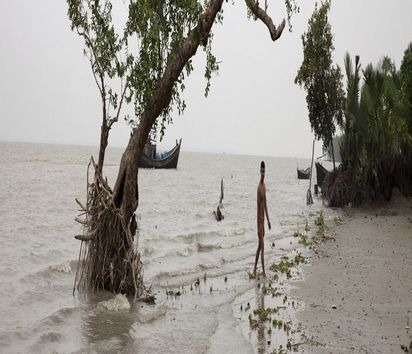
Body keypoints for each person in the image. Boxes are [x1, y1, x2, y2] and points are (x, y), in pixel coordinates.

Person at [253, 161, 271, 278]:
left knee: (259, 247)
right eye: (262, 171)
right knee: (262, 247)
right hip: (259, 223)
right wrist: (258, 225)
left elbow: (265, 205)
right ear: (259, 172)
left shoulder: (264, 187)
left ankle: (254, 268)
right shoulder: (259, 188)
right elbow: (258, 208)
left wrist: (268, 221)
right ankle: (263, 272)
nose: (263, 173)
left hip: (264, 222)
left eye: (264, 171)